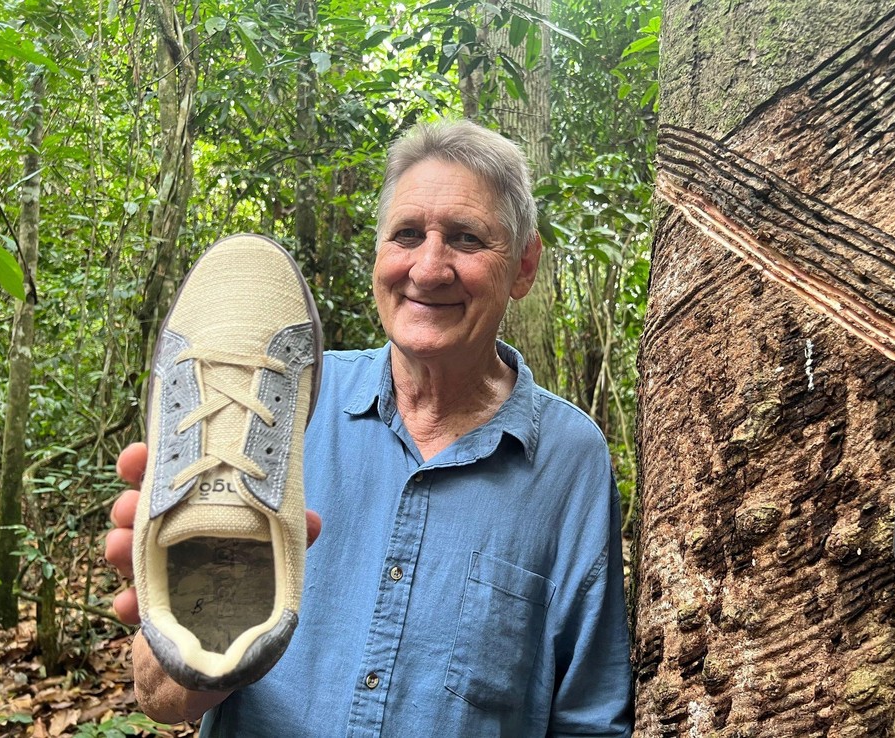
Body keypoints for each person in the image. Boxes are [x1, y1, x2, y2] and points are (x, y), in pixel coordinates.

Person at [106, 118, 633, 736]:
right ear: (379, 253)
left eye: (466, 239)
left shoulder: (569, 461)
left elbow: (588, 719)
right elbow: (160, 699)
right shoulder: (279, 407)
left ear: (523, 266)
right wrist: (194, 637)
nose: (429, 268)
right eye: (407, 235)